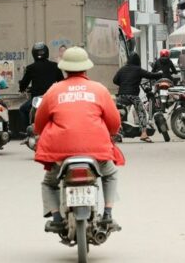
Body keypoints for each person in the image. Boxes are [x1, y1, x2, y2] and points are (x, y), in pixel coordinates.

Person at [34, 47, 124, 233]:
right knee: (109, 174)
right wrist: (111, 133)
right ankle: (107, 213)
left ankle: (57, 218)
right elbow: (114, 123)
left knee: (49, 183)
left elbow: (39, 124)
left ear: (64, 69)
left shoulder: (53, 91)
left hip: (61, 154)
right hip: (96, 152)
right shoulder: (99, 89)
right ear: (86, 68)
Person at [113, 52, 162, 143]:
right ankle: (144, 134)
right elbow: (150, 75)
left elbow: (115, 80)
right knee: (141, 112)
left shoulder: (122, 69)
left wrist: (123, 83)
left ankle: (117, 133)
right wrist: (160, 73)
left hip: (122, 95)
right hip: (133, 96)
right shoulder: (138, 70)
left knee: (120, 113)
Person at [19, 43, 64, 128]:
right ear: (47, 52)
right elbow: (62, 82)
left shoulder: (31, 68)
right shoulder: (55, 66)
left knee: (23, 109)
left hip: (36, 99)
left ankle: (27, 132)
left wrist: (22, 88)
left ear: (33, 54)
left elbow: (24, 84)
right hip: (52, 98)